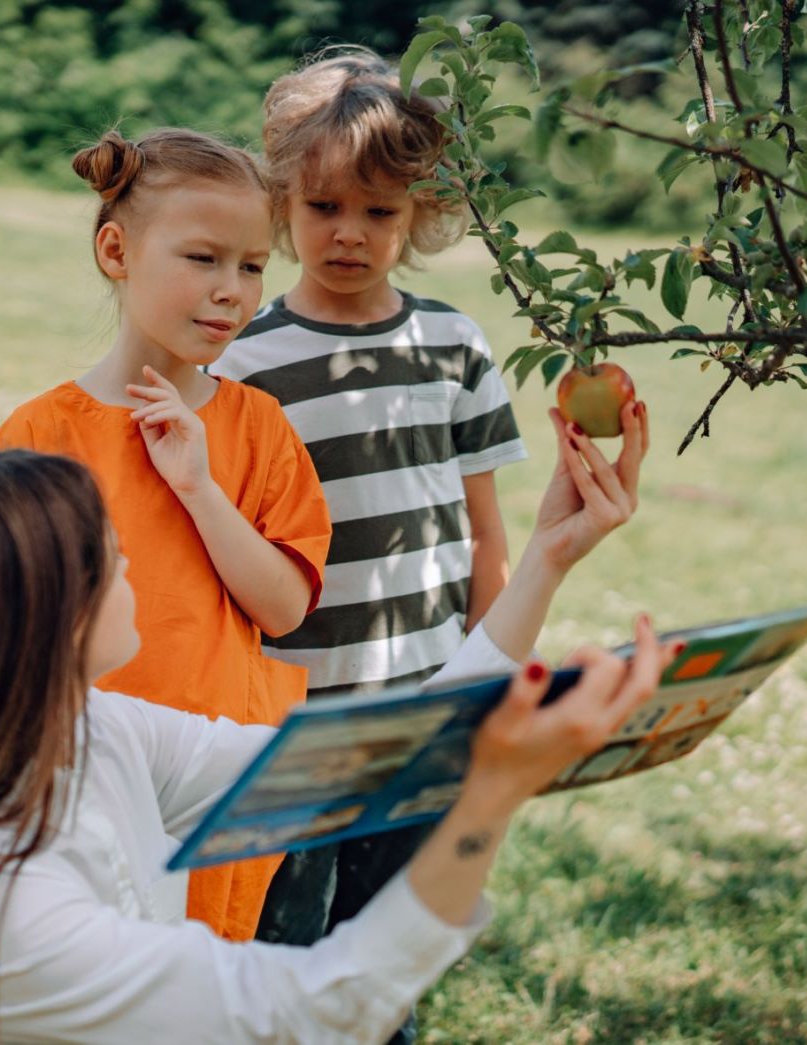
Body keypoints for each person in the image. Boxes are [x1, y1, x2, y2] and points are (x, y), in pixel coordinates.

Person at [0, 442, 675, 1044]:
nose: (130, 568)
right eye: (111, 556)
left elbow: (368, 758)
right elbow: (317, 1016)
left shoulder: (88, 727)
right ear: (48, 616)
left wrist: (547, 563)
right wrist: (490, 798)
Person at [207, 46, 652, 979]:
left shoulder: (453, 343)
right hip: (293, 723)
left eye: (381, 211)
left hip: (424, 707)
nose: (350, 234)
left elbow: (485, 535)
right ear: (284, 200)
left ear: (421, 214)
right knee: (281, 961)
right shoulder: (244, 358)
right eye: (325, 206)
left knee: (387, 961)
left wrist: (487, 691)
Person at [0, 128, 333, 940]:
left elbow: (284, 608)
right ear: (117, 250)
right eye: (203, 258)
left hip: (217, 783)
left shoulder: (259, 426)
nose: (232, 291)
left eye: (252, 266)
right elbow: (2, 637)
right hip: (80, 784)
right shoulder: (41, 432)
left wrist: (198, 487)